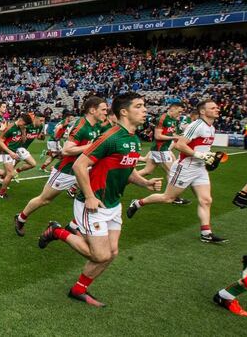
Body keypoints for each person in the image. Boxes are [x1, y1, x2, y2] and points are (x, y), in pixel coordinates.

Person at [38, 92, 161, 307]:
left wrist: (145, 183)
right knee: (100, 254)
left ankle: (78, 289)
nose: (145, 110)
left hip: (113, 203)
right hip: (94, 204)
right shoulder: (110, 137)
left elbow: (127, 169)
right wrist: (89, 197)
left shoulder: (133, 139)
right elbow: (78, 165)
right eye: (139, 106)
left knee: (111, 253)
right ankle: (57, 231)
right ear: (124, 112)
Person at [126, 100, 228, 243]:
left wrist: (208, 156)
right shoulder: (197, 125)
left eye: (217, 107)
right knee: (167, 198)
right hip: (186, 167)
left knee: (206, 200)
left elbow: (201, 148)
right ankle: (137, 203)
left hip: (200, 168)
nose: (217, 109)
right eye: (213, 108)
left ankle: (206, 233)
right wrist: (199, 155)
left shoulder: (211, 127)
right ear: (203, 112)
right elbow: (180, 145)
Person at [14, 97, 106, 236]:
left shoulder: (97, 125)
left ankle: (73, 226)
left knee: (95, 197)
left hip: (82, 170)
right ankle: (21, 218)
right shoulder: (81, 126)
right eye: (103, 109)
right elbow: (67, 150)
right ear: (93, 110)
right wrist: (91, 146)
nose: (106, 112)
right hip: (66, 170)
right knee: (44, 199)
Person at [137, 102, 191, 206]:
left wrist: (178, 136)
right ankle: (174, 197)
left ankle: (124, 179)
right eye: (179, 112)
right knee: (173, 172)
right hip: (160, 149)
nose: (179, 114)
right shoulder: (162, 118)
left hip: (162, 149)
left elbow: (172, 133)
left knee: (147, 170)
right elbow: (158, 136)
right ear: (173, 108)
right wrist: (174, 138)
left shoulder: (173, 120)